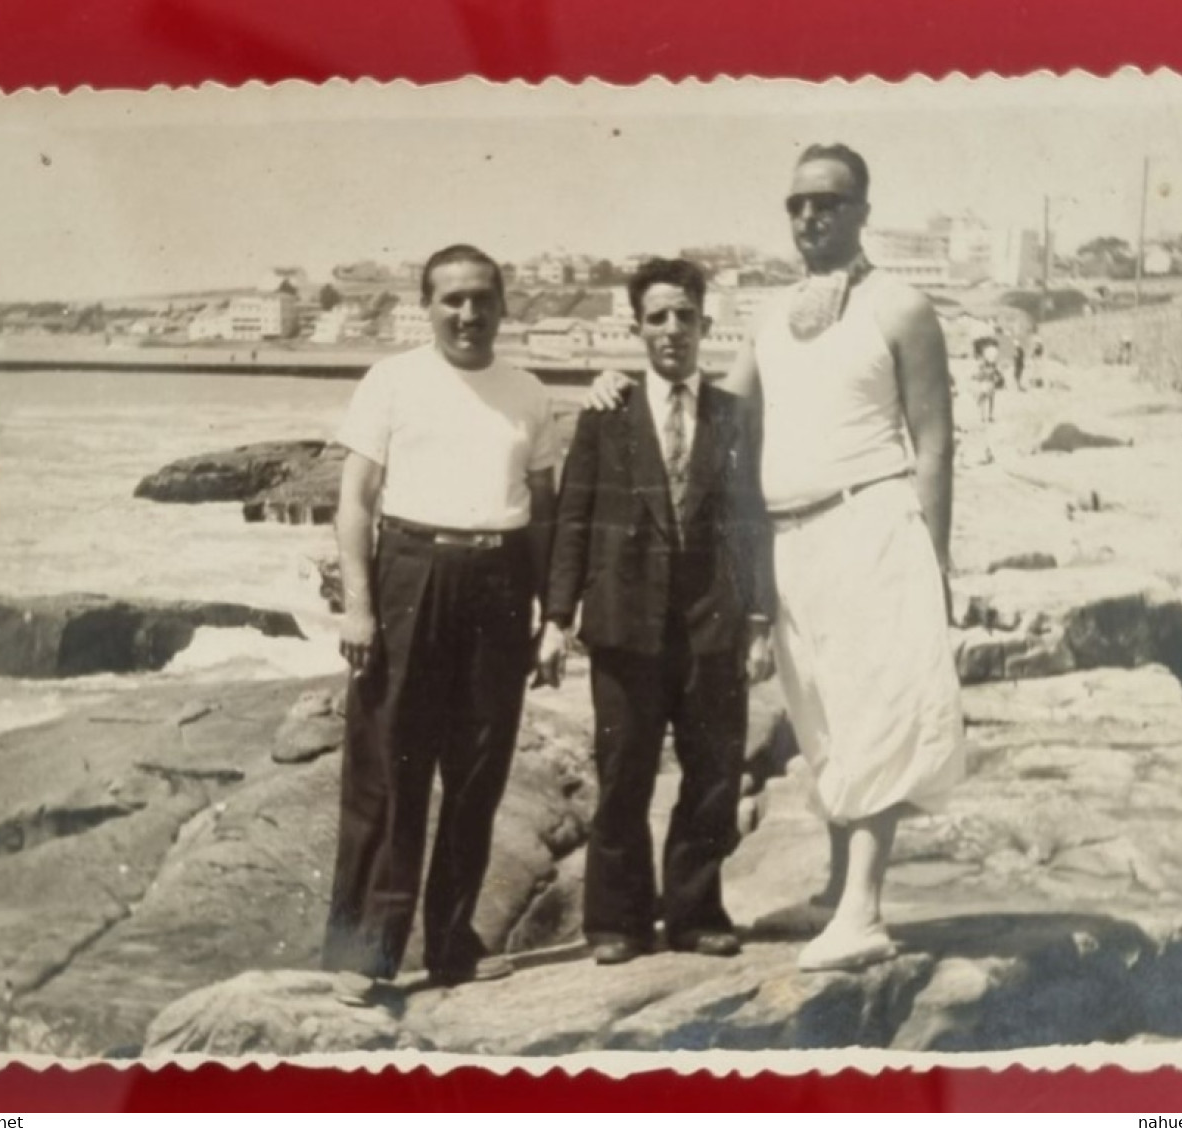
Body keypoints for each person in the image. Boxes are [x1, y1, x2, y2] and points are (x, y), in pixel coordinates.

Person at [588, 143, 965, 972]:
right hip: (792, 542)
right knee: (823, 710)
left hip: (873, 524)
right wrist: (616, 387)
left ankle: (864, 912)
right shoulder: (773, 315)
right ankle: (838, 886)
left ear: (863, 208)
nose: (809, 217)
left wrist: (932, 566)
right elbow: (712, 407)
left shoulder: (901, 306)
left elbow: (934, 444)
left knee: (877, 710)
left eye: (828, 202)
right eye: (796, 203)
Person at [321, 244, 557, 987]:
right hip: (409, 573)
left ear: (503, 305)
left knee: (478, 769)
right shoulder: (392, 380)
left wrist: (553, 616)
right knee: (387, 768)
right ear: (426, 305)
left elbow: (545, 516)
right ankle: (366, 956)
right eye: (452, 298)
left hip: (500, 578)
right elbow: (354, 500)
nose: (468, 313)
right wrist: (359, 606)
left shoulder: (528, 392)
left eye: (482, 298)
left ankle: (453, 943)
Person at [536, 258, 775, 966]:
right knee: (625, 774)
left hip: (711, 626)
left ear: (706, 323)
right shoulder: (607, 413)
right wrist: (555, 617)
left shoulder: (735, 418)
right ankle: (617, 920)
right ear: (636, 327)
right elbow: (574, 520)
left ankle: (696, 912)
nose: (673, 330)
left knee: (711, 776)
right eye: (657, 317)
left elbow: (752, 523)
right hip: (623, 625)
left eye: (686, 316)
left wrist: (758, 621)